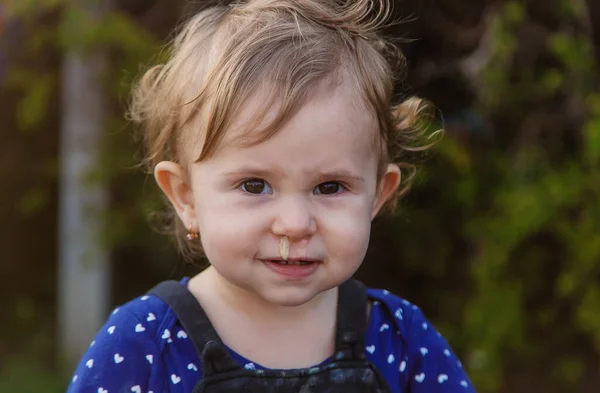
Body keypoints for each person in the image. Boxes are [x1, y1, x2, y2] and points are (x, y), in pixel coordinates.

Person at [67, 0, 476, 391]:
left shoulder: (401, 341)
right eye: (254, 185)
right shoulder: (145, 346)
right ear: (186, 197)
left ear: (376, 195)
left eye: (329, 187)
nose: (295, 224)